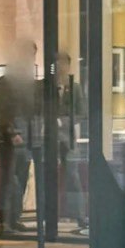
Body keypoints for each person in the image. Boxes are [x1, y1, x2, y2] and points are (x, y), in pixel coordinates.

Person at [0, 34, 44, 240]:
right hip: (10, 137)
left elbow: (35, 110)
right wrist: (12, 132)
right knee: (9, 179)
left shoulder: (30, 83)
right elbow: (2, 110)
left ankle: (14, 218)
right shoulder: (6, 81)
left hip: (28, 136)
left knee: (21, 178)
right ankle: (5, 221)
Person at [54, 49, 88, 233]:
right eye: (57, 63)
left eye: (63, 64)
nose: (60, 67)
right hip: (49, 138)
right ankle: (51, 215)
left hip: (68, 139)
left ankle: (80, 216)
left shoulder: (75, 88)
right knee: (49, 176)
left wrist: (62, 121)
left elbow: (82, 113)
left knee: (73, 176)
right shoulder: (46, 88)